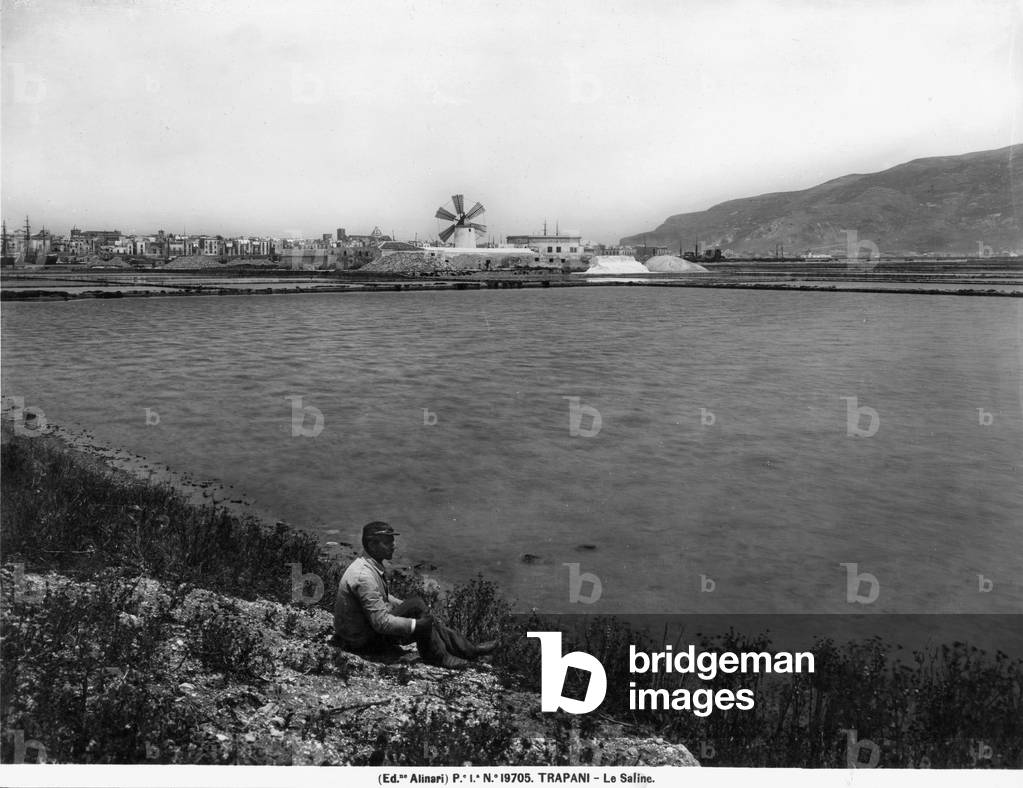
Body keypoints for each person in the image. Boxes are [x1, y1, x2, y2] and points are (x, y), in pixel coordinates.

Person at [332, 521, 496, 669]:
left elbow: (381, 596)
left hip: (360, 632)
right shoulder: (364, 577)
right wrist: (416, 625)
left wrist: (407, 607)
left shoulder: (366, 565)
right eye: (388, 542)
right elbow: (380, 623)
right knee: (420, 616)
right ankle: (443, 656)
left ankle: (467, 649)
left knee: (417, 606)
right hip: (361, 642)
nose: (394, 546)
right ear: (372, 544)